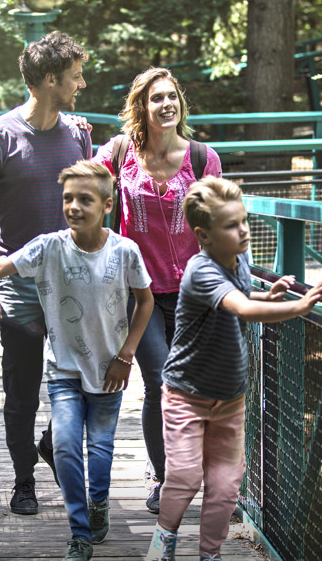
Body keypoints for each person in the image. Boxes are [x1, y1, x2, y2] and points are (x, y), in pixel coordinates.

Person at [0, 161, 155, 561]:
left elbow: (145, 301)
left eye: (84, 199)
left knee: (101, 450)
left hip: (110, 370)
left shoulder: (126, 251)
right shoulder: (48, 247)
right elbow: (2, 266)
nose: (73, 206)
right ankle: (80, 533)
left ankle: (100, 502)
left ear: (107, 205)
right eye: (68, 198)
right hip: (64, 370)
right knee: (69, 448)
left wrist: (127, 355)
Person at [144, 176, 322, 561]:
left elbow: (243, 296)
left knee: (226, 486)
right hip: (186, 394)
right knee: (185, 476)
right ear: (204, 236)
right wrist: (296, 307)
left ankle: (209, 555)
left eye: (243, 221)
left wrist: (268, 294)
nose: (243, 231)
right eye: (231, 225)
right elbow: (240, 308)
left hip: (230, 397)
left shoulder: (238, 258)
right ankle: (163, 543)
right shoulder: (201, 270)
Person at [0, 30, 92, 516]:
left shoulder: (78, 133)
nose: (80, 84)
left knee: (83, 378)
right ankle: (23, 482)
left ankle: (50, 443)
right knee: (22, 387)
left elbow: (90, 199)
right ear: (48, 80)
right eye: (74, 76)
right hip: (15, 281)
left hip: (69, 278)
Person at [92, 67, 222, 514]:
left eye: (172, 97)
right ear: (142, 108)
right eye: (156, 99)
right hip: (140, 292)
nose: (166, 104)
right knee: (160, 382)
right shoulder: (122, 152)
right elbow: (83, 182)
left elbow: (220, 224)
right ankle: (165, 478)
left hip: (192, 294)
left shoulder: (203, 158)